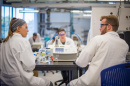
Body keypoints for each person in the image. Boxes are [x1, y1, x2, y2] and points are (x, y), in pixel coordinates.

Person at [67, 15, 129, 86]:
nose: (99, 28)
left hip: (93, 82)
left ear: (109, 26)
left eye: (101, 25)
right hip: (114, 83)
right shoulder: (124, 44)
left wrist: (77, 61)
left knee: (70, 84)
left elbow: (81, 63)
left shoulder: (98, 39)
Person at [0, 18, 53, 86]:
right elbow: (30, 66)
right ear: (18, 28)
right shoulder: (22, 41)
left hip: (4, 81)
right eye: (26, 27)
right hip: (20, 81)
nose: (28, 30)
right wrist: (33, 58)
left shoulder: (4, 42)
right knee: (49, 83)